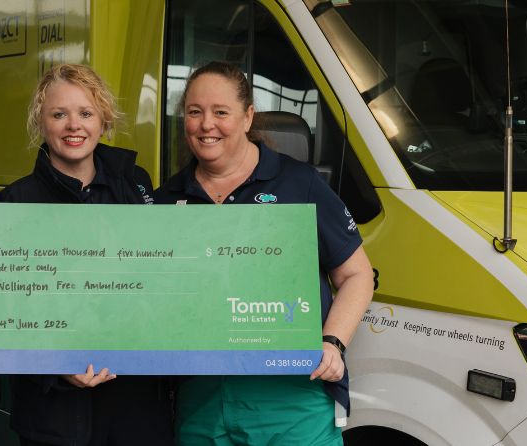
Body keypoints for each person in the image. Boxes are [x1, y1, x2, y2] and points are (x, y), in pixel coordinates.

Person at [155, 61, 374, 445]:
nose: (206, 125)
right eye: (194, 112)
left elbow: (357, 275)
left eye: (221, 112)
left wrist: (333, 343)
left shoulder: (299, 184)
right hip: (202, 400)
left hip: (292, 396)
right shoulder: (166, 200)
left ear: (247, 117)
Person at [0, 64, 172, 446]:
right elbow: (2, 313)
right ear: (41, 123)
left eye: (86, 113)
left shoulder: (137, 185)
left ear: (104, 120)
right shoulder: (14, 203)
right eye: (59, 114)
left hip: (135, 410)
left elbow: (161, 279)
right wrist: (55, 368)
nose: (73, 125)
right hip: (55, 419)